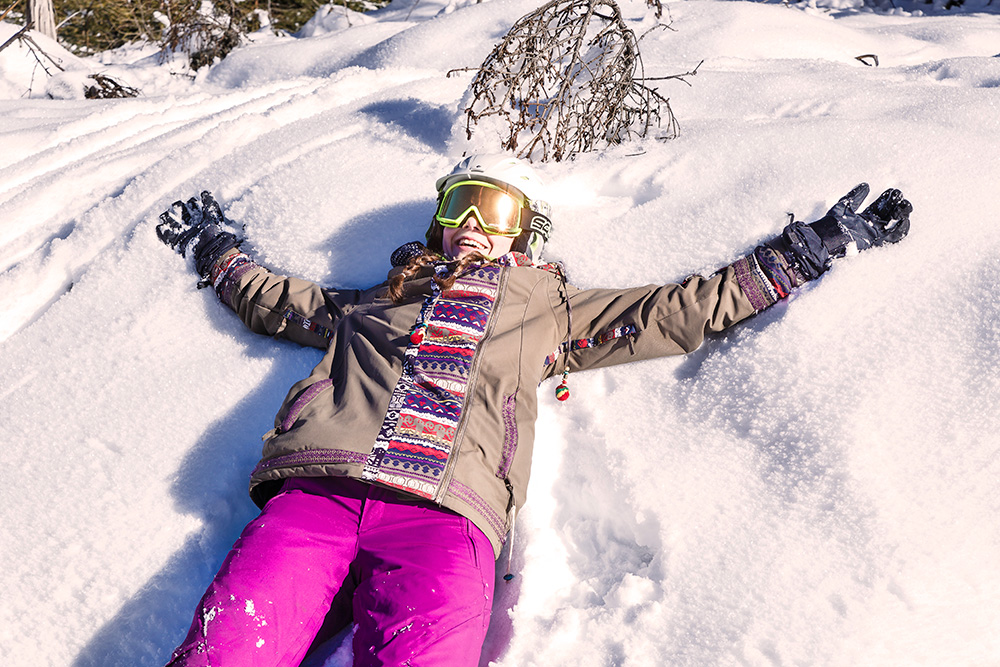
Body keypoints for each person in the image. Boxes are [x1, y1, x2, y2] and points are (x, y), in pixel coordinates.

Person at [155, 154, 911, 666]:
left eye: (496, 207)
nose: (475, 222)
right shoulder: (376, 302)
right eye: (461, 204)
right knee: (226, 648)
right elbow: (281, 302)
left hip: (448, 519)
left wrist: (803, 253)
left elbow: (674, 311)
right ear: (441, 220)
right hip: (321, 493)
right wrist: (220, 251)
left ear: (524, 227)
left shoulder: (548, 307)